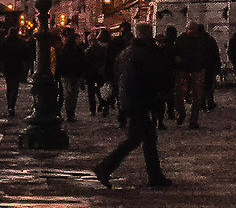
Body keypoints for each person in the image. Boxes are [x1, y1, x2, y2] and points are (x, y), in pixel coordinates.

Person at [94, 23, 172, 188]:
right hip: (140, 99)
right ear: (149, 35)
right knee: (134, 138)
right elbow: (154, 77)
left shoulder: (126, 52)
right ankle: (104, 168)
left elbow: (116, 74)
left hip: (128, 98)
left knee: (148, 138)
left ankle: (155, 176)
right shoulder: (146, 53)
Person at [56, 28, 89, 123]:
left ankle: (69, 113)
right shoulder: (76, 50)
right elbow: (82, 61)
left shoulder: (66, 49)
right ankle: (70, 113)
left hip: (69, 74)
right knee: (71, 95)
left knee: (70, 94)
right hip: (72, 74)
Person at [1, 29, 34, 117]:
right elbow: (26, 54)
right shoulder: (20, 42)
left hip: (8, 66)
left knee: (9, 87)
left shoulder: (6, 42)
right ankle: (12, 105)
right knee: (15, 87)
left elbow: (1, 54)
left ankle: (9, 105)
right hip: (17, 66)